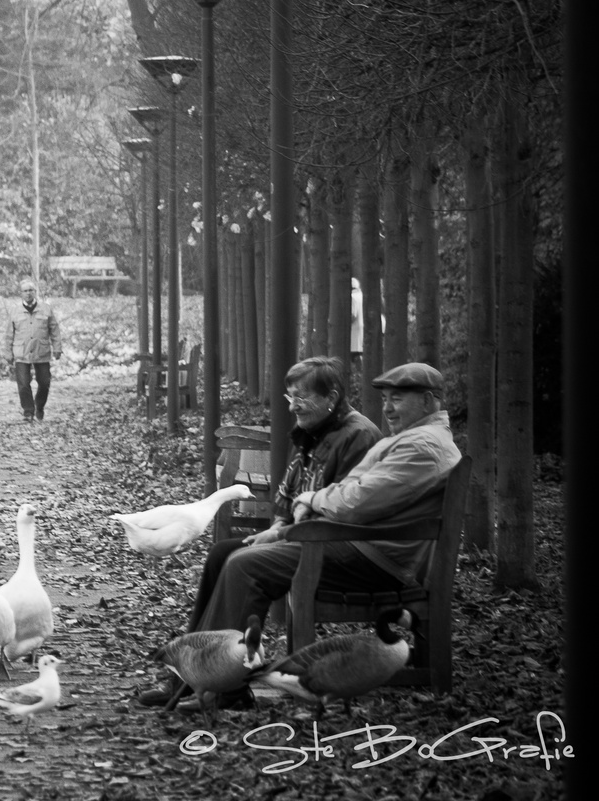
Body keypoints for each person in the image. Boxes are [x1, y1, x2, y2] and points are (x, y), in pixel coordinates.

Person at [136, 360, 458, 708]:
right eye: (386, 398)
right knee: (225, 556)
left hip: (372, 554)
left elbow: (356, 499)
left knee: (244, 565)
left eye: (398, 398)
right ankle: (192, 677)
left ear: (428, 401)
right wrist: (300, 513)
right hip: (357, 542)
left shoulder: (421, 446)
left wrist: (312, 501)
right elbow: (353, 488)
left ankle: (222, 686)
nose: (388, 407)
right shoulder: (410, 440)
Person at [184, 357, 381, 632]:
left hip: (339, 549)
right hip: (305, 538)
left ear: (331, 397)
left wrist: (279, 535)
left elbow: (342, 511)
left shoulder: (359, 437)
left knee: (243, 564)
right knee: (221, 553)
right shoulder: (312, 429)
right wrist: (277, 526)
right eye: (291, 396)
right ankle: (196, 652)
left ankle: (223, 664)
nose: (292, 405)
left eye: (302, 396)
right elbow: (291, 496)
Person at [6, 277, 61, 423]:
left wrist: (57, 348)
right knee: (23, 383)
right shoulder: (15, 311)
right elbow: (9, 334)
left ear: (35, 292)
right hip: (21, 352)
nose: (28, 293)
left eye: (31, 290)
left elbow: (54, 330)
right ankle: (28, 411)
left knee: (44, 382)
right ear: (21, 293)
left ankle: (39, 406)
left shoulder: (46, 309)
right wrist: (8, 352)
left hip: (41, 351)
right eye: (25, 291)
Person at [350, 278, 364, 362]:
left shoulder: (352, 297)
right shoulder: (361, 295)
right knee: (360, 352)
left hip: (354, 329)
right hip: (361, 328)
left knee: (354, 353)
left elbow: (353, 315)